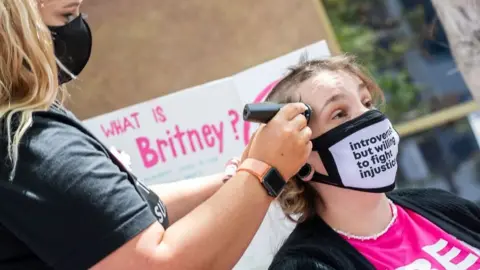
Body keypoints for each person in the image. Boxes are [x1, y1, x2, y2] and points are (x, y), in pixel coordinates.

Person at [0, 0, 313, 269]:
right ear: (15, 22)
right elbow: (156, 261)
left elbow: (122, 216)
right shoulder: (31, 144)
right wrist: (264, 171)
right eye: (66, 16)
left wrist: (232, 183)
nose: (77, 27)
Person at [262, 56, 480, 270]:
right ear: (301, 158)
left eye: (366, 102)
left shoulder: (439, 205)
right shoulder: (304, 265)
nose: (368, 116)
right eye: (339, 113)